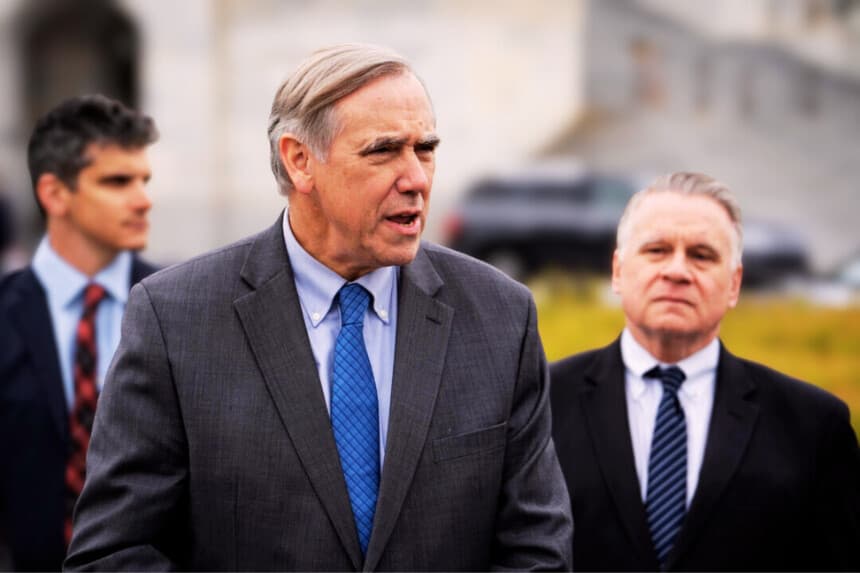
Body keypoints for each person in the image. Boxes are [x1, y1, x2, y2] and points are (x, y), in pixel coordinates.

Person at [65, 43, 572, 571]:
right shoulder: (174, 319)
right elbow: (113, 553)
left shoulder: (500, 316)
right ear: (300, 160)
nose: (417, 178)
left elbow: (537, 547)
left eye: (425, 148)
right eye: (383, 151)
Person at [550, 171, 860, 571]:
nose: (677, 271)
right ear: (617, 271)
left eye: (701, 255)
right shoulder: (541, 405)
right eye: (657, 250)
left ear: (734, 283)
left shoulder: (814, 427)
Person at [0, 94, 159, 571]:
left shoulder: (185, 306)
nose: (143, 198)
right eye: (117, 181)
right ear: (54, 194)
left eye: (144, 180)